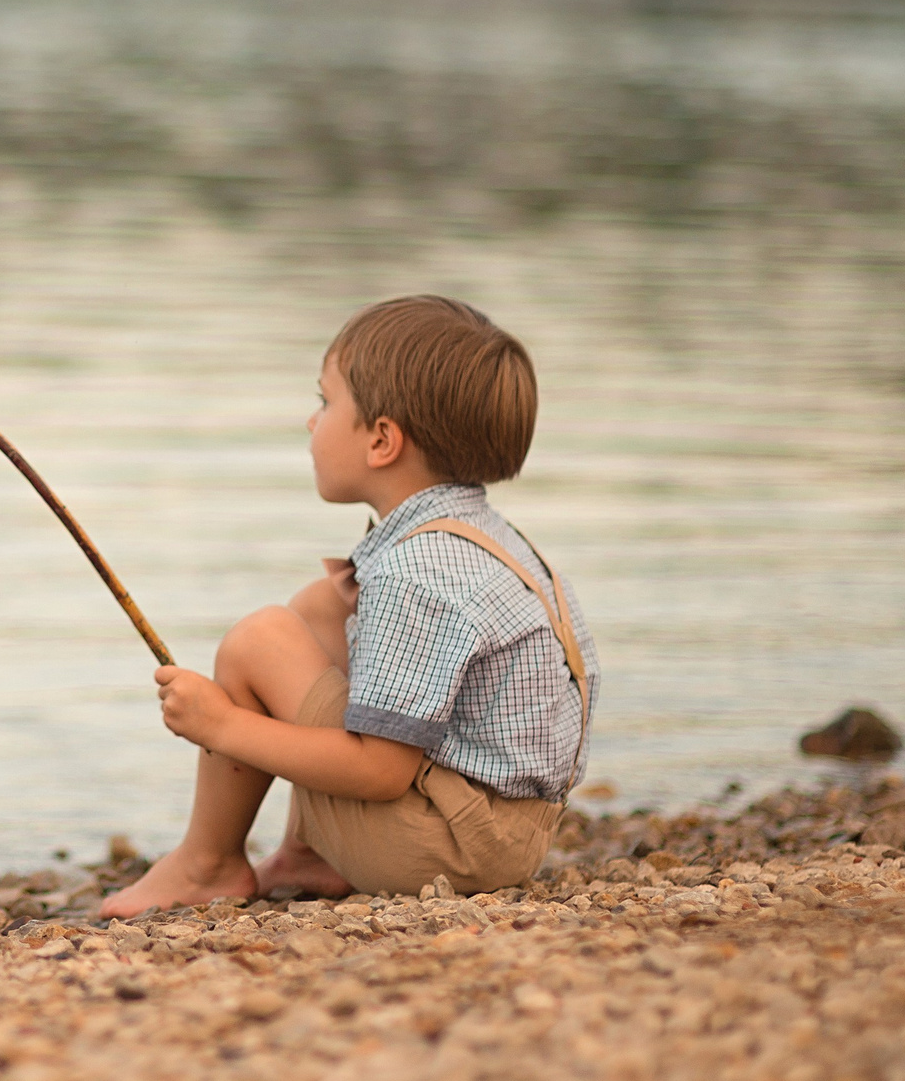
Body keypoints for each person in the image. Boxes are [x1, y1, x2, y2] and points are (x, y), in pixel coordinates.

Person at [103, 295, 597, 917]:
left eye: (325, 402)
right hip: (504, 830)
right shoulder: (483, 538)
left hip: (446, 851)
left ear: (383, 440)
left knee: (258, 640)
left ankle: (208, 864)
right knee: (320, 609)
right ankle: (308, 851)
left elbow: (380, 773)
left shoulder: (416, 574)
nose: (312, 423)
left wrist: (222, 725)